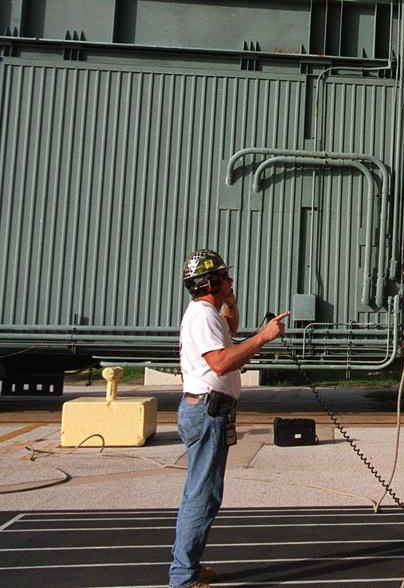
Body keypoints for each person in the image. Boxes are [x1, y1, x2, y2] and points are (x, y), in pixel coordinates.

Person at [170, 249, 289, 588]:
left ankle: (187, 567)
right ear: (213, 282)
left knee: (202, 493)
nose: (231, 280)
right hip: (208, 411)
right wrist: (263, 337)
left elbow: (229, 328)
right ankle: (183, 577)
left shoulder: (207, 313)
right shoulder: (202, 316)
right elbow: (221, 361)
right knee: (202, 496)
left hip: (210, 411)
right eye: (226, 277)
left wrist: (231, 303)